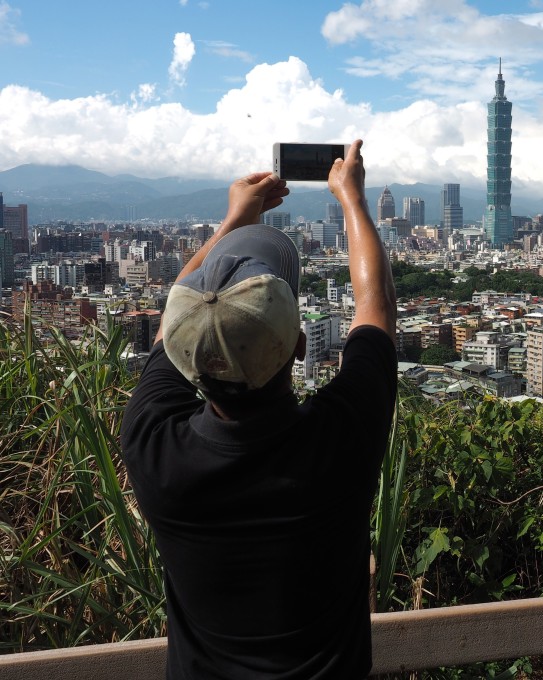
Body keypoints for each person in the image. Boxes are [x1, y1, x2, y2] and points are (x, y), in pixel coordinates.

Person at [122, 139, 397, 679]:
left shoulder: (154, 448)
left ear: (184, 355)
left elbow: (176, 317)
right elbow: (376, 304)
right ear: (300, 345)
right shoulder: (340, 439)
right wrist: (352, 198)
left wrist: (233, 221)